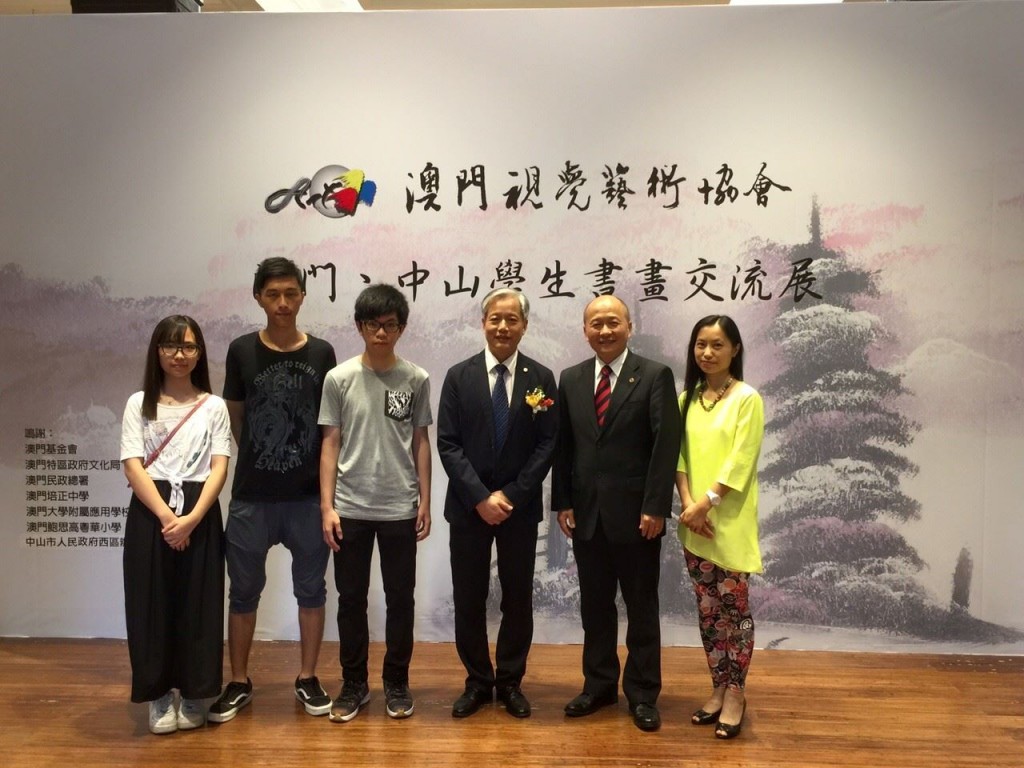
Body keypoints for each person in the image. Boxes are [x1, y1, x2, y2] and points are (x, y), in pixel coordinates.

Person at [208, 257, 337, 723]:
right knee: (242, 593)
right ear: (258, 298)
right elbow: (236, 415)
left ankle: (307, 677)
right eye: (273, 294)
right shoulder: (242, 350)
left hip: (307, 498)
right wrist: (265, 453)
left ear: (302, 296)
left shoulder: (322, 353)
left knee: (312, 591)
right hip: (252, 496)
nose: (282, 303)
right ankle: (239, 680)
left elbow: (328, 426)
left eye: (290, 293)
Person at [551, 295, 681, 732]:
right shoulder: (570, 378)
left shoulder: (654, 375)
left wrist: (656, 506)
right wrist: (563, 501)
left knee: (641, 607)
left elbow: (665, 445)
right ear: (585, 330)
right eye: (596, 324)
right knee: (595, 607)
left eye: (613, 322)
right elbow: (564, 446)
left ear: (629, 327)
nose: (604, 331)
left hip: (638, 517)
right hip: (587, 515)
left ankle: (642, 694)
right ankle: (599, 685)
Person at [438, 288, 558, 719]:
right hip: (468, 508)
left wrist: (510, 495)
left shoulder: (541, 378)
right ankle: (476, 681)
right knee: (468, 598)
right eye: (495, 318)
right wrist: (480, 497)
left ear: (524, 325)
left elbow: (547, 445)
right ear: (483, 323)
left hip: (517, 510)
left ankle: (509, 682)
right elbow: (448, 444)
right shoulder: (459, 375)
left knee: (517, 598)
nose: (503, 327)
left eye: (512, 319)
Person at [319, 283, 432, 722]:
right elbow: (330, 444)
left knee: (401, 599)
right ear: (359, 327)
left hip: (399, 507)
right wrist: (327, 506)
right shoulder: (339, 378)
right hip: (350, 506)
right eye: (373, 324)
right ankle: (354, 683)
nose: (381, 333)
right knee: (351, 600)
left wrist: (424, 499)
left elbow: (420, 441)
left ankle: (397, 682)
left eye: (389, 325)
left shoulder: (416, 378)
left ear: (401, 328)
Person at [120, 315, 231, 734]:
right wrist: (169, 518)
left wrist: (192, 519)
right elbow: (132, 465)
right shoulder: (139, 403)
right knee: (150, 602)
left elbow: (219, 467)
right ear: (157, 351)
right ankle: (160, 694)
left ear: (199, 353)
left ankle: (196, 692)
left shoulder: (213, 406)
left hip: (200, 510)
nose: (179, 355)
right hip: (152, 512)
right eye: (170, 346)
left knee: (199, 604)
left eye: (188, 347)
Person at [676, 314, 764, 740]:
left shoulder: (747, 398)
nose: (707, 353)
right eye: (701, 345)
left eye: (717, 345)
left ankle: (736, 694)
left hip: (727, 523)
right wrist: (688, 505)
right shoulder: (686, 398)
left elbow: (741, 461)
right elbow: (677, 457)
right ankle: (717, 688)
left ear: (735, 349)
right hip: (694, 524)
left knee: (735, 613)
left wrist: (706, 503)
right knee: (708, 612)